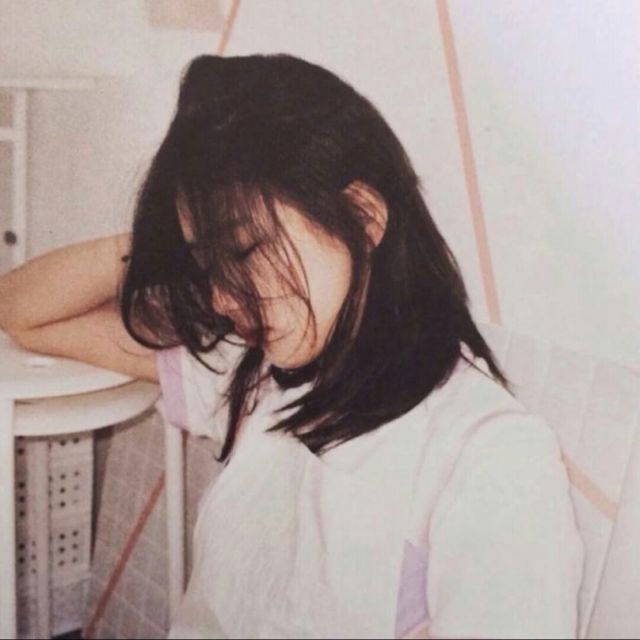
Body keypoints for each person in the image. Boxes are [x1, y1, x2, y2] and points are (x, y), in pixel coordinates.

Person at [0, 53, 583, 639]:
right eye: (209, 266)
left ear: (363, 217)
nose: (222, 298)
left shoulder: (486, 456)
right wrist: (168, 243)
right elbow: (22, 312)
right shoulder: (251, 371)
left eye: (245, 251)